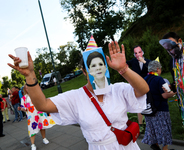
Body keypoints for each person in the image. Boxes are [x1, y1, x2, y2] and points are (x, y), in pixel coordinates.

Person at [8, 41, 149, 150]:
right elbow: (42, 105)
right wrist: (30, 75)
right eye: (92, 66)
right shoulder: (75, 97)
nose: (98, 68)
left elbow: (143, 89)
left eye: (101, 64)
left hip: (126, 146)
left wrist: (124, 69)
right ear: (84, 71)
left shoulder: (117, 89)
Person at [159, 32, 184, 150]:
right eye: (168, 48)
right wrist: (171, 87)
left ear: (180, 41)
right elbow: (178, 81)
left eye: (173, 45)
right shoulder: (172, 61)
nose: (172, 50)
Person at [141, 60, 176, 150]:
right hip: (160, 109)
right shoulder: (159, 79)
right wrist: (173, 93)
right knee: (164, 130)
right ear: (157, 69)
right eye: (160, 68)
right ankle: (165, 149)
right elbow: (165, 95)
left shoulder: (145, 79)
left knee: (152, 129)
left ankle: (155, 144)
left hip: (148, 109)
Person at [18, 84, 55, 150]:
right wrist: (21, 109)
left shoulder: (36, 94)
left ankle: (44, 138)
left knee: (42, 126)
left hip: (39, 112)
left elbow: (42, 101)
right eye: (26, 88)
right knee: (31, 129)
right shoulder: (24, 98)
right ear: (25, 89)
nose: (28, 89)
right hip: (31, 115)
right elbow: (24, 108)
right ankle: (33, 144)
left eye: (29, 87)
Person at [126, 45, 151, 133]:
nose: (137, 55)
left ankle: (149, 124)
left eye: (139, 52)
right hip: (137, 87)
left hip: (147, 86)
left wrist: (144, 62)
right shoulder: (133, 61)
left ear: (142, 52)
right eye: (135, 53)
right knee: (139, 105)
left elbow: (153, 69)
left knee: (148, 104)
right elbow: (125, 64)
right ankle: (141, 125)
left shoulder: (147, 61)